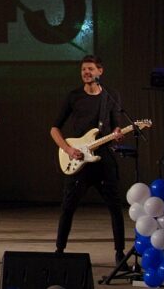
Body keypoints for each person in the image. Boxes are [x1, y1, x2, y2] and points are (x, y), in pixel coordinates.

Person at [50, 55, 126, 266]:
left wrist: (118, 133)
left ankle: (120, 254)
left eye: (91, 69)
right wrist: (68, 149)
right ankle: (59, 251)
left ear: (100, 71)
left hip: (104, 159)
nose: (86, 72)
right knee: (67, 207)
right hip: (79, 160)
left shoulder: (111, 96)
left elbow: (116, 125)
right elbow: (54, 128)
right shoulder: (74, 96)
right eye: (84, 69)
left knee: (115, 208)